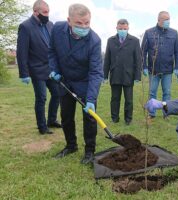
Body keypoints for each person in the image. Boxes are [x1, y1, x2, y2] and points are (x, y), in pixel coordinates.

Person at [48, 4, 103, 164]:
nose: (84, 26)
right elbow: (52, 51)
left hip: (85, 82)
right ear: (69, 21)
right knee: (66, 116)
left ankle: (89, 151)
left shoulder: (94, 40)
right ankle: (71, 145)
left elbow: (95, 72)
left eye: (87, 22)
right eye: (79, 23)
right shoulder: (57, 29)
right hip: (64, 81)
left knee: (89, 119)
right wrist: (55, 69)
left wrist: (91, 99)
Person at [17, 0, 61, 135]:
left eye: (48, 12)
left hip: (51, 69)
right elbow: (22, 52)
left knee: (57, 94)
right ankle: (42, 126)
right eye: (44, 12)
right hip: (36, 69)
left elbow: (54, 47)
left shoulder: (50, 24)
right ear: (35, 12)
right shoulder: (25, 27)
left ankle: (51, 120)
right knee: (41, 98)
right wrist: (24, 73)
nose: (47, 15)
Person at [141, 11, 178, 118]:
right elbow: (143, 52)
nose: (167, 21)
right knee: (152, 92)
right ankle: (151, 113)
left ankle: (166, 113)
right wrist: (143, 66)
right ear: (159, 20)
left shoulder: (174, 33)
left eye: (169, 19)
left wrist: (177, 67)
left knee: (167, 93)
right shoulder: (149, 33)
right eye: (165, 20)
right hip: (153, 69)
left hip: (168, 69)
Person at [104, 19, 141, 125]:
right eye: (120, 29)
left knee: (129, 100)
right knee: (115, 98)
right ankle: (114, 118)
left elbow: (138, 59)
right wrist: (105, 75)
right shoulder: (110, 40)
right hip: (115, 74)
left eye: (124, 29)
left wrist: (137, 76)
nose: (122, 30)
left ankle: (128, 119)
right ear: (116, 28)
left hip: (128, 75)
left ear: (128, 28)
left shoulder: (134, 41)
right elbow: (107, 58)